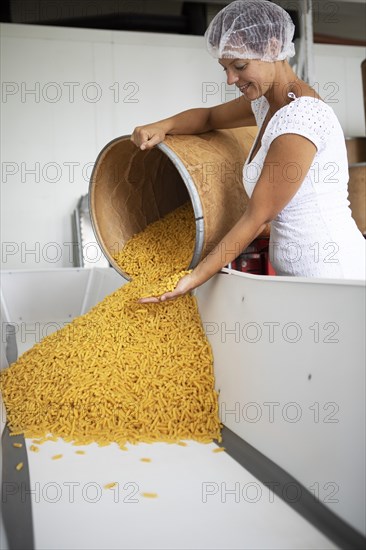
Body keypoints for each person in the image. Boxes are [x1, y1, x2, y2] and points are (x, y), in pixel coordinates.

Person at [131, 0, 366, 303]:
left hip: (334, 278)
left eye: (240, 66)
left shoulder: (301, 118)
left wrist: (194, 278)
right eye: (225, 68)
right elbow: (208, 118)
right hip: (304, 282)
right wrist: (161, 126)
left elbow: (257, 216)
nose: (230, 79)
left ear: (271, 47)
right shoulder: (266, 103)